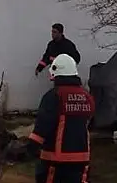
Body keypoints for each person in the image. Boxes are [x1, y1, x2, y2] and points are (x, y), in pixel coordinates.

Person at [28, 54, 95, 183]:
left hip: (55, 160)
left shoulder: (54, 96)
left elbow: (43, 126)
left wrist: (31, 148)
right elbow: (89, 124)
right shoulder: (87, 96)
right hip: (82, 160)